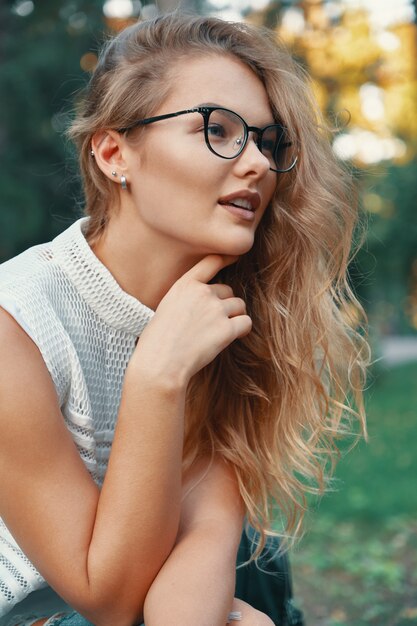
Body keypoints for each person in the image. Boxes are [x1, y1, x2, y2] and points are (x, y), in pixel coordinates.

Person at [0, 11, 368, 626]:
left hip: (147, 590)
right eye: (217, 129)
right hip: (39, 612)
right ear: (115, 152)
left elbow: (203, 542)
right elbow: (106, 601)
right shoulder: (18, 322)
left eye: (266, 141)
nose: (255, 162)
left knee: (259, 559)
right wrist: (157, 376)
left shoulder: (222, 312)